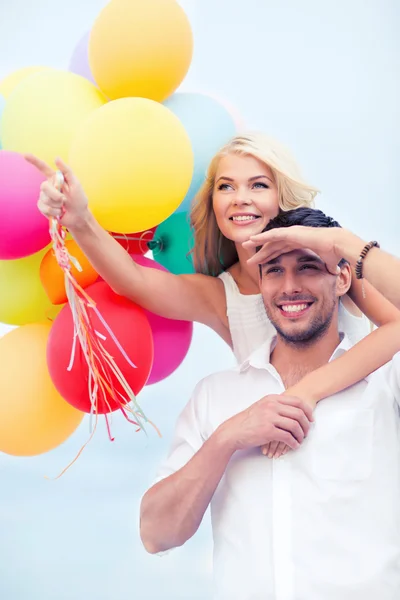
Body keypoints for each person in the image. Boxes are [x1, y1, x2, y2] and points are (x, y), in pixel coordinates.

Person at [27, 132, 400, 457]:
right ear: (214, 204)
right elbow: (133, 281)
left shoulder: (325, 259)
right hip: (285, 446)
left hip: (363, 433)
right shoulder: (223, 295)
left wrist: (306, 392)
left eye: (258, 185)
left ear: (281, 195)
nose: (240, 198)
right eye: (226, 186)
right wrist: (79, 218)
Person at [140, 207, 400, 600]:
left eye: (309, 266)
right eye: (274, 270)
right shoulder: (216, 395)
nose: (289, 286)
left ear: (342, 277)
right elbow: (156, 534)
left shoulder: (387, 383)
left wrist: (344, 245)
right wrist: (228, 437)